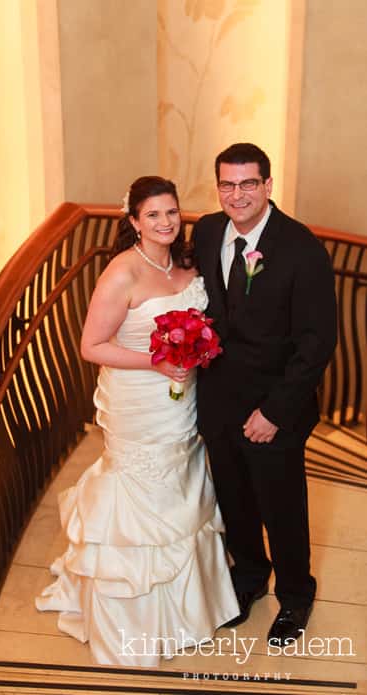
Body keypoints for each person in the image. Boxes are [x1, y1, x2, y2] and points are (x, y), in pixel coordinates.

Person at [35, 176, 238, 666]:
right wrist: (156, 361)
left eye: (172, 213)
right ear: (133, 222)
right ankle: (132, 618)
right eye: (153, 215)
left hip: (182, 396)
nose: (165, 223)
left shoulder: (186, 262)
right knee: (140, 488)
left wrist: (192, 354)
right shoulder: (121, 274)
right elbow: (92, 347)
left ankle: (189, 608)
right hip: (138, 399)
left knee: (183, 480)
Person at [193, 143, 337, 646]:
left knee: (282, 510)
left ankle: (296, 595)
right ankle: (249, 577)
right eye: (228, 185)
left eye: (248, 183)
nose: (238, 195)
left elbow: (317, 344)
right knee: (233, 500)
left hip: (275, 409)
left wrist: (274, 412)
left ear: (268, 186)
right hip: (217, 402)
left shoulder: (302, 249)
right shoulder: (208, 230)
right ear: (218, 188)